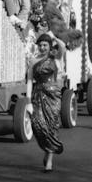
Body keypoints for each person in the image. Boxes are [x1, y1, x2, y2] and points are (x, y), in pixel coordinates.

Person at [26, 32, 66, 172]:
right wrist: (28, 101)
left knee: (52, 126)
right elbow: (30, 81)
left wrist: (54, 38)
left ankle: (49, 158)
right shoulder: (33, 60)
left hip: (53, 96)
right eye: (40, 45)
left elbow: (63, 47)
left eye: (45, 45)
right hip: (38, 94)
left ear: (49, 46)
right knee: (37, 125)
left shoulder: (55, 57)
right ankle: (47, 149)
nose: (42, 47)